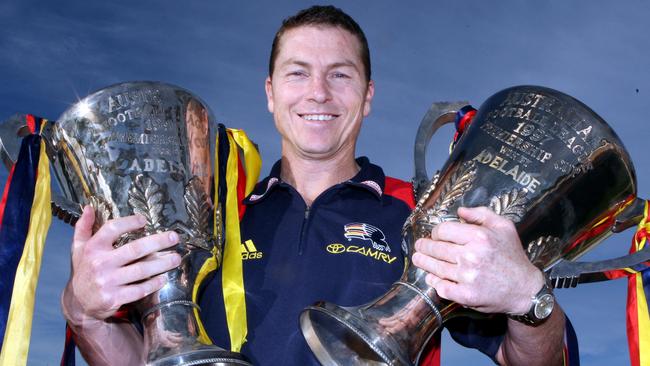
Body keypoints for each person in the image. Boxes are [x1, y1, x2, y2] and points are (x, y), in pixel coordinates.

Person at [61, 5, 572, 365]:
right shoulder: (208, 218)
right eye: (298, 73)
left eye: (341, 75)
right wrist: (83, 312)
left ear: (368, 96)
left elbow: (529, 360)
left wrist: (530, 300)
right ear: (270, 92)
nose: (318, 93)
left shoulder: (425, 216)